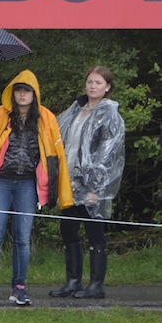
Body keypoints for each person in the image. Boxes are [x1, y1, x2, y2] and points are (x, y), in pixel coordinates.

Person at [0, 69, 73, 307]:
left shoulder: (46, 118)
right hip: (0, 181)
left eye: (27, 91)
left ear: (35, 94)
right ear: (13, 93)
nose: (22, 95)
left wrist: (51, 188)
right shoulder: (0, 115)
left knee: (23, 236)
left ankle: (19, 288)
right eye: (19, 90)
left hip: (27, 184)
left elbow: (55, 156)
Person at [54, 67, 124, 300]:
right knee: (68, 229)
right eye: (90, 82)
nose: (93, 86)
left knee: (94, 231)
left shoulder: (109, 113)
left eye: (98, 82)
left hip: (93, 184)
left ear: (107, 87)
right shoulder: (76, 110)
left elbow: (108, 153)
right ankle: (73, 281)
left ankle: (96, 284)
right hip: (70, 182)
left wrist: (95, 187)